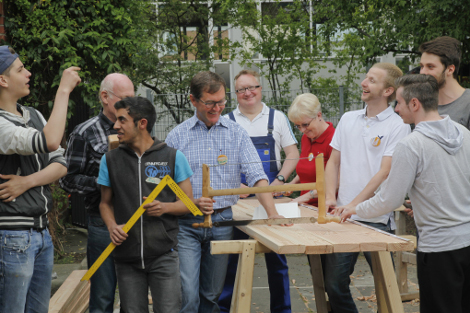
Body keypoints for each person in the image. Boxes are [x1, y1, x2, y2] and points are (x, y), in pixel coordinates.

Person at [338, 74, 470, 313]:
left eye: (398, 103)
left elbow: (389, 200)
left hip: (439, 249)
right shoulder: (463, 133)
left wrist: (354, 208)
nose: (396, 109)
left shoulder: (411, 144)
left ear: (415, 104)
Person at [165, 71, 288, 313]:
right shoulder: (177, 136)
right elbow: (165, 184)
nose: (217, 108)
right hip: (186, 224)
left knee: (212, 295)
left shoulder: (236, 133)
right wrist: (192, 204)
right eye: (210, 103)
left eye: (221, 102)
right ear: (193, 100)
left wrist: (272, 212)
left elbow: (257, 176)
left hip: (222, 221)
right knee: (187, 294)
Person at [98, 96, 213, 312]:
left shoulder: (173, 157)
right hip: (127, 257)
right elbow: (105, 203)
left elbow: (187, 203)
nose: (115, 126)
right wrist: (112, 227)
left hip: (164, 255)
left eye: (122, 120)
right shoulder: (110, 160)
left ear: (141, 123)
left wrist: (164, 208)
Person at [324, 63, 410, 313]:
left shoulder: (398, 124)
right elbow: (333, 161)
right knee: (334, 285)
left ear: (388, 91)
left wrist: (355, 205)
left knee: (387, 287)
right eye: (366, 77)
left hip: (377, 218)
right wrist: (331, 197)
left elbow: (384, 172)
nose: (364, 82)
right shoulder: (348, 118)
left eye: (372, 80)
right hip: (343, 218)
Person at [0, 45, 81, 313]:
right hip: (11, 236)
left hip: (41, 233)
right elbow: (50, 141)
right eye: (21, 69)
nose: (29, 73)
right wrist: (63, 90)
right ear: (3, 80)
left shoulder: (33, 115)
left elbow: (61, 163)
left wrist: (27, 182)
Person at [59, 73, 134, 313]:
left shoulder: (137, 128)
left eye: (133, 98)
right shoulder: (84, 133)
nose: (130, 105)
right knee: (102, 297)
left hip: (137, 220)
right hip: (102, 223)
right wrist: (104, 184)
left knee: (133, 298)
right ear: (105, 97)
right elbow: (66, 179)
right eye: (125, 99)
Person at [286, 93, 335, 205]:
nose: (302, 130)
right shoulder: (306, 138)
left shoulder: (334, 140)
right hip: (305, 204)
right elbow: (307, 169)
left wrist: (307, 197)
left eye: (305, 124)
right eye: (298, 126)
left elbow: (336, 181)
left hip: (326, 207)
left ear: (319, 116)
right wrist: (292, 185)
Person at [419, 36, 470, 129]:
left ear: (450, 70)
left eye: (430, 66)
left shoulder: (467, 104)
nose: (423, 72)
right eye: (422, 66)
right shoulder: (420, 102)